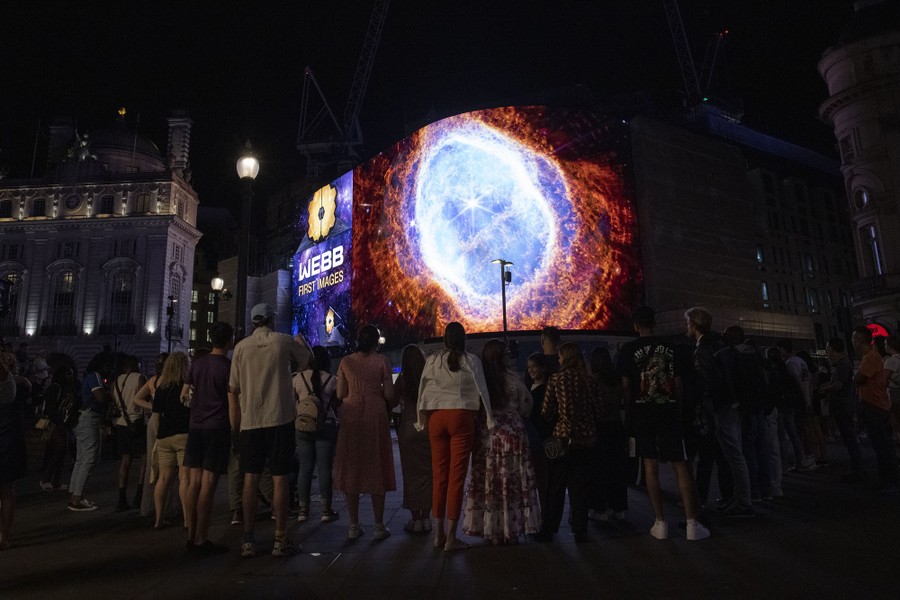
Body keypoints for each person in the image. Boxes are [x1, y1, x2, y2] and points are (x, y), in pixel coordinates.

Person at [229, 303, 311, 558]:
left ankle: (248, 539)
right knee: (280, 477)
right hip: (280, 418)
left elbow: (233, 388)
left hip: (251, 421)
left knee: (250, 479)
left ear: (253, 322)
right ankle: (279, 538)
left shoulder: (241, 347)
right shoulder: (283, 341)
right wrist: (303, 340)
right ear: (271, 320)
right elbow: (308, 360)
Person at [620, 306, 710, 540]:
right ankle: (692, 524)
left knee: (650, 466)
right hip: (669, 414)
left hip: (642, 414)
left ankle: (660, 523)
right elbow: (679, 384)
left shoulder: (628, 350)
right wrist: (678, 411)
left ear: (636, 326)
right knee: (680, 465)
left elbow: (627, 387)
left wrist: (629, 414)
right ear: (655, 323)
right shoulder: (673, 349)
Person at [417, 322, 494, 552]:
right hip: (461, 417)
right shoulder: (471, 361)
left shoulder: (432, 360)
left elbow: (423, 389)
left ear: (444, 339)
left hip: (437, 419)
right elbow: (483, 391)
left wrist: (422, 418)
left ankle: (438, 534)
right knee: (456, 479)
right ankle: (451, 538)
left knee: (439, 476)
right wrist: (489, 419)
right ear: (463, 339)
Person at [464, 338, 540, 545]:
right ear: (500, 357)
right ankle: (511, 527)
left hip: (487, 437)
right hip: (513, 435)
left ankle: (490, 527)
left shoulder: (480, 380)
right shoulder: (513, 379)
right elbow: (526, 405)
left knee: (490, 482)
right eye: (506, 354)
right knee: (511, 482)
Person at [333, 324, 397, 541]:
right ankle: (379, 525)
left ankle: (353, 524)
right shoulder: (382, 362)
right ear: (375, 341)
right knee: (376, 463)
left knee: (353, 466)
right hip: (375, 414)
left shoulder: (346, 362)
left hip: (351, 415)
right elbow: (389, 393)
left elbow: (340, 393)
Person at [688, 308, 753, 519]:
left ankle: (743, 503)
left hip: (721, 407)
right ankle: (737, 498)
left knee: (734, 455)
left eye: (688, 323)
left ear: (694, 325)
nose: (686, 327)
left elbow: (707, 382)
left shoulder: (704, 348)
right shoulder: (721, 343)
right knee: (732, 454)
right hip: (731, 404)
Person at [533, 342, 600, 543]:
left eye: (560, 357)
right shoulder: (590, 381)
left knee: (555, 485)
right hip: (586, 439)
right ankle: (580, 529)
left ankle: (549, 528)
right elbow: (598, 411)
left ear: (565, 358)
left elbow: (545, 411)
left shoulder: (556, 379)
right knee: (580, 486)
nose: (559, 360)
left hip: (561, 438)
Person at [182, 322, 233, 554]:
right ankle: (202, 537)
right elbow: (233, 402)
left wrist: (197, 407)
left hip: (196, 427)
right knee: (209, 484)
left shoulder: (198, 363)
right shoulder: (228, 366)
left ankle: (190, 534)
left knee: (193, 482)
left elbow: (184, 395)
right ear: (229, 340)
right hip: (217, 427)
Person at [293, 345, 340, 525]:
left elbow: (293, 402)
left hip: (303, 427)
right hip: (326, 426)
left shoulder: (298, 379)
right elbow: (337, 404)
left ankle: (303, 510)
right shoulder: (332, 380)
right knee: (324, 469)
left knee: (305, 468)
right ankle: (326, 510)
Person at [851, 326, 899, 495]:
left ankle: (891, 481)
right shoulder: (869, 356)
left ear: (861, 340)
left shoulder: (871, 357)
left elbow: (859, 378)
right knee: (881, 445)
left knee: (882, 445)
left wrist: (855, 378)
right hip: (875, 405)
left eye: (854, 338)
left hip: (875, 406)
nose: (852, 342)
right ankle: (888, 479)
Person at [147, 352, 191, 530]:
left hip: (165, 436)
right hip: (183, 434)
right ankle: (188, 519)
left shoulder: (162, 387)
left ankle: (159, 519)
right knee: (184, 478)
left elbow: (156, 415)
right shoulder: (186, 386)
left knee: (163, 478)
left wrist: (159, 435)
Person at [588, 346, 629, 522]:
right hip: (616, 426)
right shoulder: (617, 381)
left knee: (598, 470)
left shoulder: (593, 381)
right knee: (617, 469)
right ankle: (618, 507)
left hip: (598, 427)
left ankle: (600, 508)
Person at [395, 344, 431, 534]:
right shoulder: (429, 380)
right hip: (428, 428)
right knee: (429, 473)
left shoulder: (402, 380)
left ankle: (415, 519)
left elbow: (391, 400)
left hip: (408, 429)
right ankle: (427, 518)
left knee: (411, 475)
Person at [818, 337, 865, 483]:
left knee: (849, 437)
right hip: (842, 404)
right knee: (848, 437)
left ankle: (858, 470)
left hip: (843, 405)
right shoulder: (840, 363)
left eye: (828, 348)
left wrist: (824, 388)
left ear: (832, 349)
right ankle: (857, 469)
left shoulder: (843, 364)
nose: (827, 351)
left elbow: (839, 384)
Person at [68, 356, 110, 512]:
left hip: (82, 417)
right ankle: (77, 498)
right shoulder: (95, 376)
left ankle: (74, 494)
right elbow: (100, 397)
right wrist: (108, 396)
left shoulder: (87, 377)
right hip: (90, 417)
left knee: (81, 459)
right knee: (90, 458)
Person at [133, 353, 168, 517]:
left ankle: (147, 505)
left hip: (153, 419)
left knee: (150, 462)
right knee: (167, 463)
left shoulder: (152, 380)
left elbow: (136, 398)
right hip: (166, 419)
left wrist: (150, 406)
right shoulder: (169, 381)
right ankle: (166, 506)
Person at [111, 356, 148, 512]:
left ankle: (121, 498)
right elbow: (143, 397)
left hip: (121, 423)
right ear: (135, 365)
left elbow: (113, 399)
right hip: (136, 421)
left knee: (125, 460)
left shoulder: (116, 381)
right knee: (144, 459)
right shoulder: (140, 378)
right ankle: (139, 496)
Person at [775, 339, 816, 471]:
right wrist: (809, 399)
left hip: (798, 400)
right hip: (806, 398)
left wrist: (803, 400)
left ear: (783, 349)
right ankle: (809, 457)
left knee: (798, 430)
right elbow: (807, 380)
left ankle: (806, 457)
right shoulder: (801, 361)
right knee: (803, 428)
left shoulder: (790, 363)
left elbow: (797, 383)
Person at [39, 366, 78, 493]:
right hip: (56, 424)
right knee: (60, 450)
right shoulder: (56, 388)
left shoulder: (68, 388)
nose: (71, 376)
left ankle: (55, 481)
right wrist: (58, 421)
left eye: (72, 374)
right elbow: (50, 407)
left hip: (65, 424)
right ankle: (46, 479)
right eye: (68, 373)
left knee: (61, 451)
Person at [0, 352, 23, 549]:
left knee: (6, 490)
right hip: (9, 439)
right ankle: (3, 536)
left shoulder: (12, 384)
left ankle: (4, 535)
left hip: (7, 439)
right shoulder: (20, 383)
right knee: (7, 490)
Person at [524, 353, 552, 513]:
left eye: (534, 367)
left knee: (542, 477)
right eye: (529, 367)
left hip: (542, 436)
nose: (530, 370)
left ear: (543, 368)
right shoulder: (528, 387)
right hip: (531, 436)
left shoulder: (547, 388)